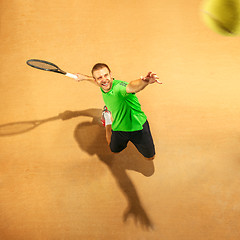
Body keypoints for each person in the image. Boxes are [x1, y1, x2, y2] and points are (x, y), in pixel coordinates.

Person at [75, 63, 161, 160]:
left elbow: (132, 86)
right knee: (114, 150)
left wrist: (145, 82)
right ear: (96, 80)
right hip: (119, 127)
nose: (104, 79)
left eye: (106, 75)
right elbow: (99, 83)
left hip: (139, 127)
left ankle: (107, 117)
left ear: (111, 75)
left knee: (150, 157)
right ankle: (107, 120)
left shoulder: (120, 88)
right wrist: (84, 78)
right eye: (99, 78)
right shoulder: (103, 85)